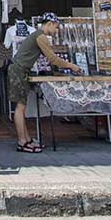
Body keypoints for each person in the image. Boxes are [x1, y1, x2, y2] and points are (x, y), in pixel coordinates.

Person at [9, 12, 82, 153]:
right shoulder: (41, 37)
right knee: (20, 107)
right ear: (49, 24)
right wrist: (72, 66)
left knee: (21, 107)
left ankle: (27, 139)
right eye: (56, 27)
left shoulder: (37, 35)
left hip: (20, 70)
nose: (57, 31)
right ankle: (22, 142)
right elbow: (53, 59)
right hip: (18, 71)